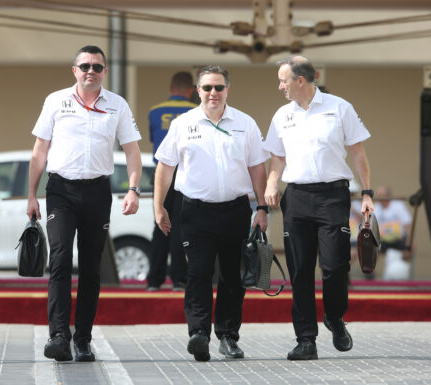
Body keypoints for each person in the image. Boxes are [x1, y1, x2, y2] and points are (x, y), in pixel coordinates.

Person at [27, 45, 142, 362]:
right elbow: (39, 151)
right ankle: (59, 336)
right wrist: (32, 195)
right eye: (85, 66)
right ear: (74, 70)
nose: (91, 71)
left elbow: (132, 151)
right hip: (61, 190)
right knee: (61, 260)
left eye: (97, 66)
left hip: (97, 192)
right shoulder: (56, 101)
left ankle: (83, 339)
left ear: (104, 71)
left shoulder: (117, 105)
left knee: (91, 267)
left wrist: (133, 189)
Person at [154, 65, 269, 361]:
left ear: (228, 90)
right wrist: (158, 206)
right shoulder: (183, 123)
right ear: (198, 90)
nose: (213, 93)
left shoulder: (246, 123)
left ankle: (228, 336)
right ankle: (199, 334)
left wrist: (263, 208)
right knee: (198, 273)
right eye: (207, 88)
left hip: (235, 210)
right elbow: (165, 167)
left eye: (219, 87)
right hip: (195, 211)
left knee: (232, 276)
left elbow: (258, 168)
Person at [264, 55, 374, 360]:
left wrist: (366, 193)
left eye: (283, 80)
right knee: (300, 270)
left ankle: (335, 318)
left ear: (301, 80)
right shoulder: (281, 116)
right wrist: (272, 183)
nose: (280, 86)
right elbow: (277, 158)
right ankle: (306, 339)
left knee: (335, 265)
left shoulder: (339, 108)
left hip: (332, 196)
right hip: (296, 196)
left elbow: (358, 154)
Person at [146, 71, 196, 292]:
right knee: (180, 225)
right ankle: (179, 278)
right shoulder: (196, 112)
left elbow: (153, 140)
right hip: (185, 172)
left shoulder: (155, 111)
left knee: (159, 224)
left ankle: (154, 280)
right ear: (191, 90)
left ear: (170, 87)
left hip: (161, 172)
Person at [374, 185, 413, 280]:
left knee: (409, 249)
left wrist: (410, 243)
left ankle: (403, 277)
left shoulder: (398, 205)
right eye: (378, 196)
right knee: (371, 249)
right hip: (383, 240)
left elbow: (407, 226)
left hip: (399, 239)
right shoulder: (376, 208)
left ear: (388, 195)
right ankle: (371, 275)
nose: (380, 198)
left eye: (382, 195)